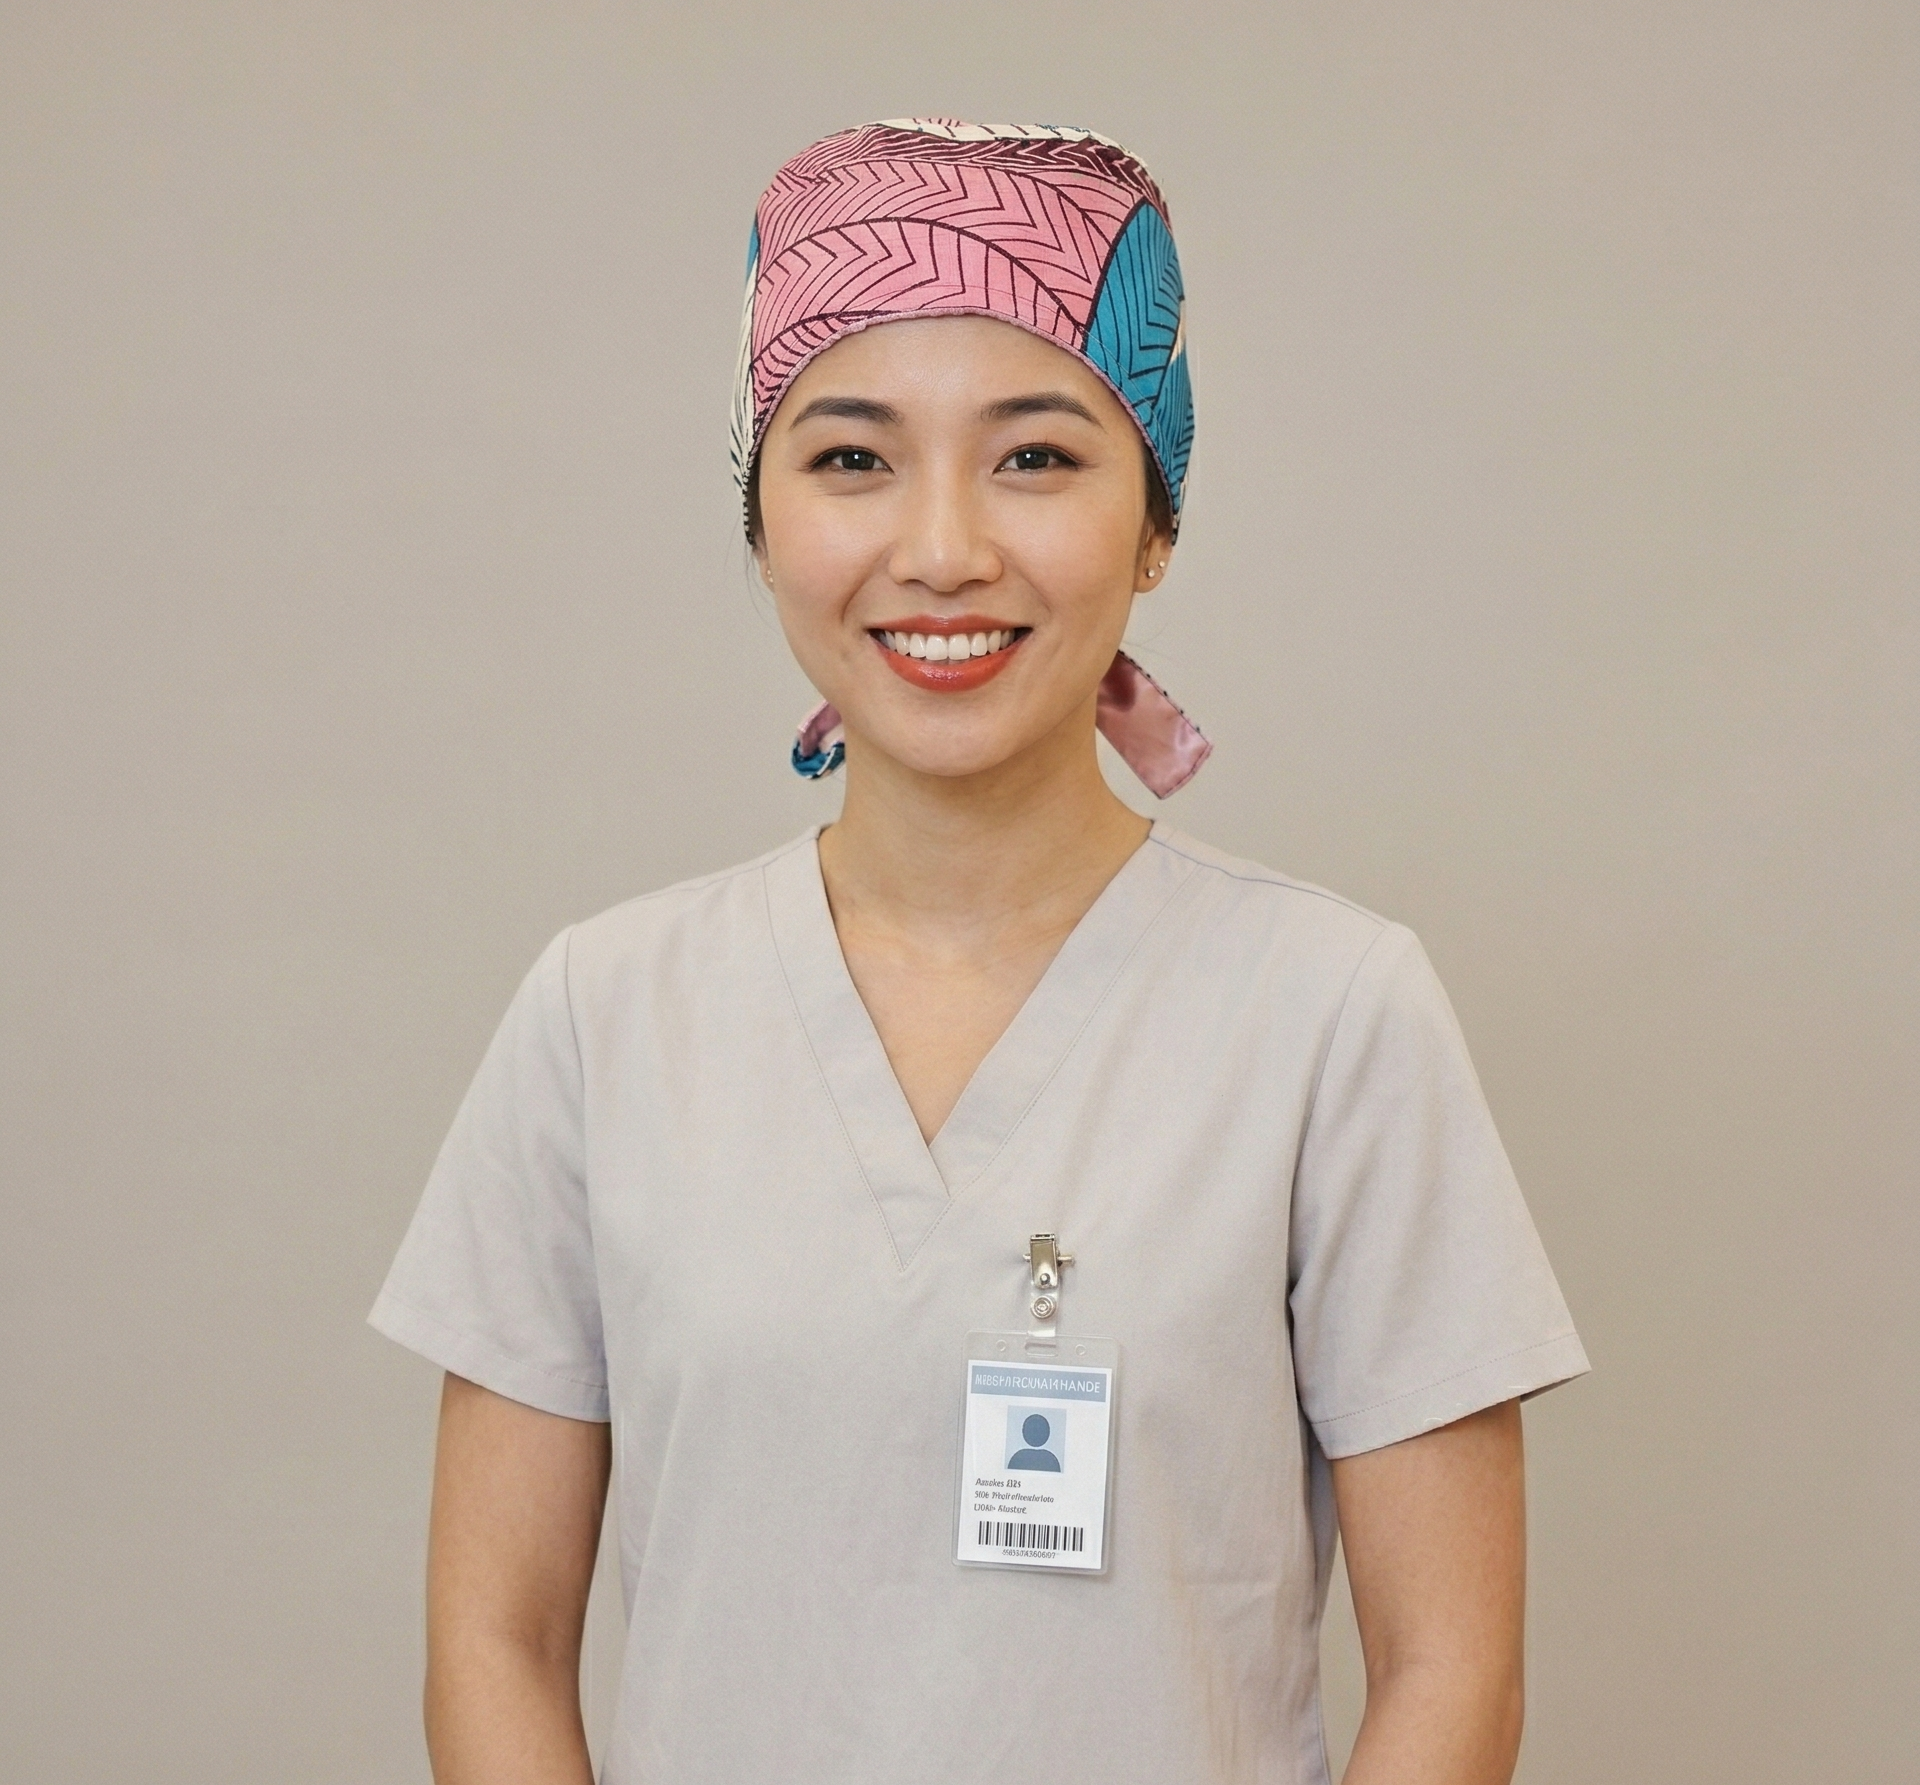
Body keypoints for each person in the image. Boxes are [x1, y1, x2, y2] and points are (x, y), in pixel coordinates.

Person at [371, 119, 1589, 1785]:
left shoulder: (1333, 1017)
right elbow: (491, 1642)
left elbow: (1452, 1670)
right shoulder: (606, 1013)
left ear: (1157, 524)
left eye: (1036, 456)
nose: (942, 548)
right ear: (760, 519)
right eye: (851, 458)